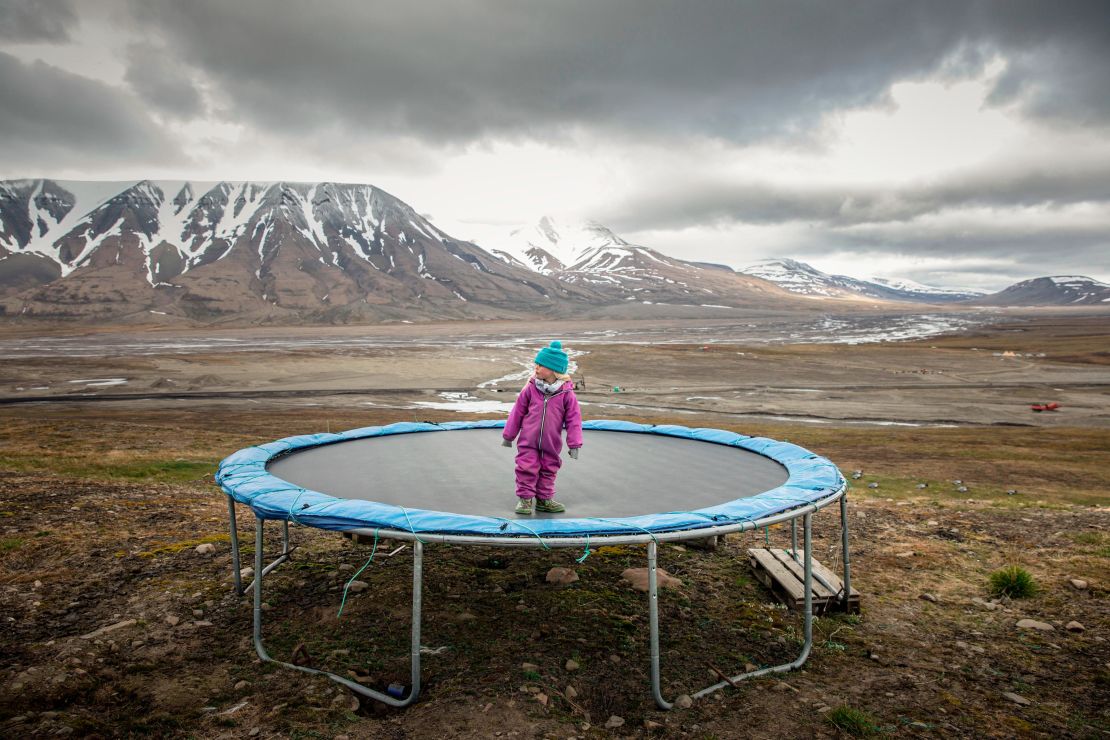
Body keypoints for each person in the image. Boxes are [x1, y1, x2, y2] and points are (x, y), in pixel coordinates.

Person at [502, 340, 583, 515]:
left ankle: (544, 500)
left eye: (540, 365)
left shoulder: (566, 394)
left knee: (549, 469)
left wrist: (574, 444)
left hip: (551, 442)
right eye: (536, 365)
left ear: (553, 369)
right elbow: (517, 412)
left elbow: (574, 420)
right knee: (525, 467)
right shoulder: (530, 389)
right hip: (528, 440)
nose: (536, 368)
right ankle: (525, 500)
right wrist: (509, 435)